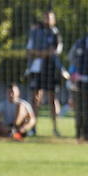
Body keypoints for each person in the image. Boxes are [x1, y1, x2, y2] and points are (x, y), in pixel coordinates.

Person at [25, 9, 63, 137]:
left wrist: (40, 53)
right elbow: (29, 51)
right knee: (35, 99)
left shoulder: (55, 33)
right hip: (37, 69)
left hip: (51, 68)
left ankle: (55, 127)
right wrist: (43, 53)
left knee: (52, 98)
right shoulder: (35, 32)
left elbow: (55, 51)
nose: (47, 20)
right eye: (46, 17)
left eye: (50, 18)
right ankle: (33, 127)